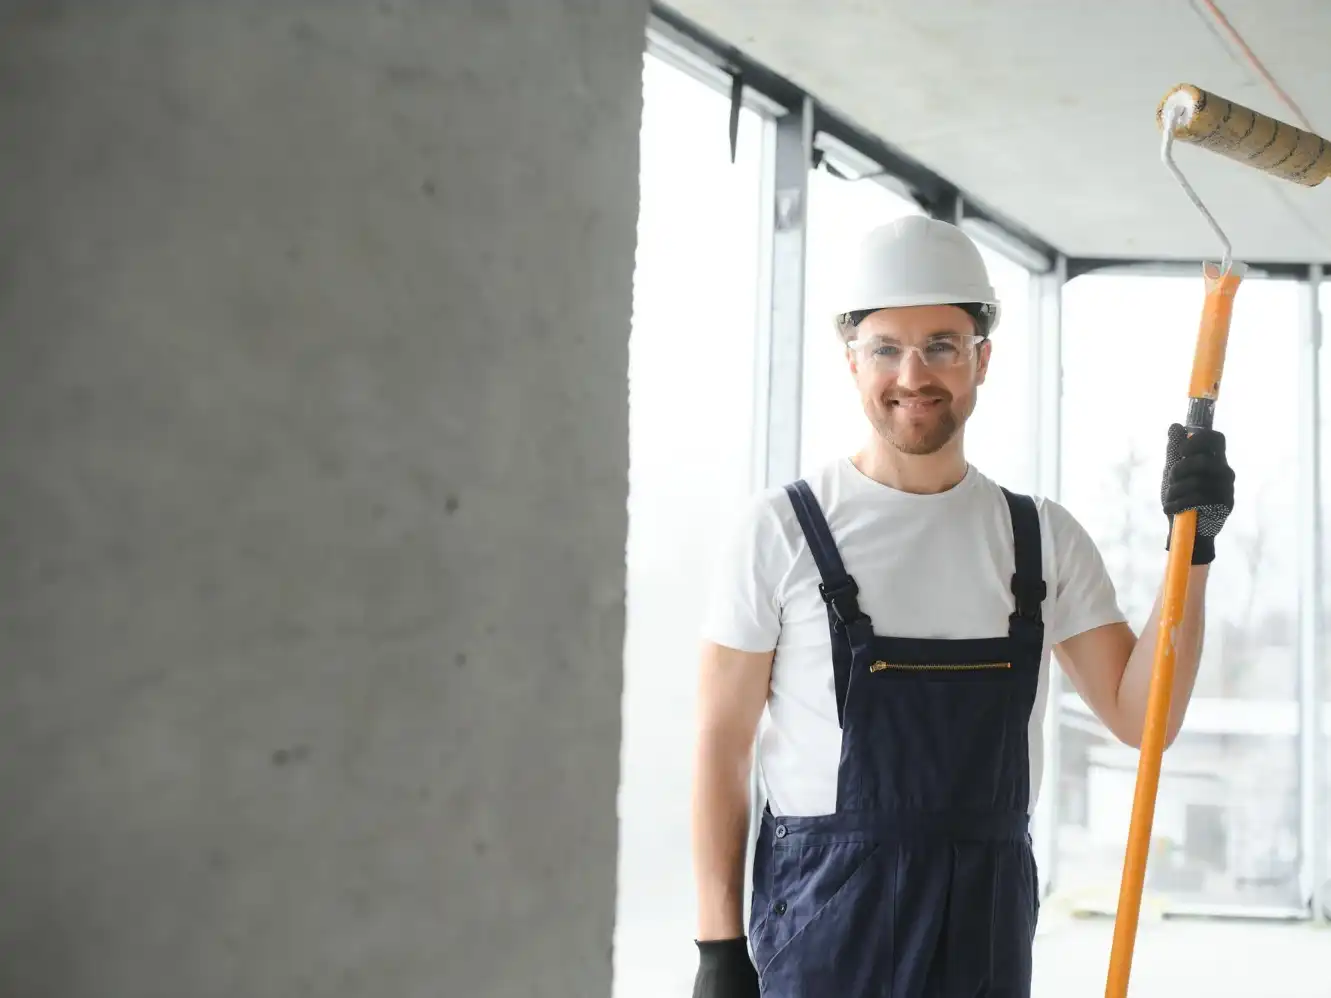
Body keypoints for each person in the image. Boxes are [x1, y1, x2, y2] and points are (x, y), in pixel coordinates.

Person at [687, 215, 1235, 997]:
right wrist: (717, 946)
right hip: (822, 921)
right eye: (885, 348)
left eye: (941, 345)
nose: (913, 374)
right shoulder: (780, 531)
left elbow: (1143, 719)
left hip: (983, 922)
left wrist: (1196, 552)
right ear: (851, 361)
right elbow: (720, 745)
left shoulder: (1038, 539)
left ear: (982, 358)